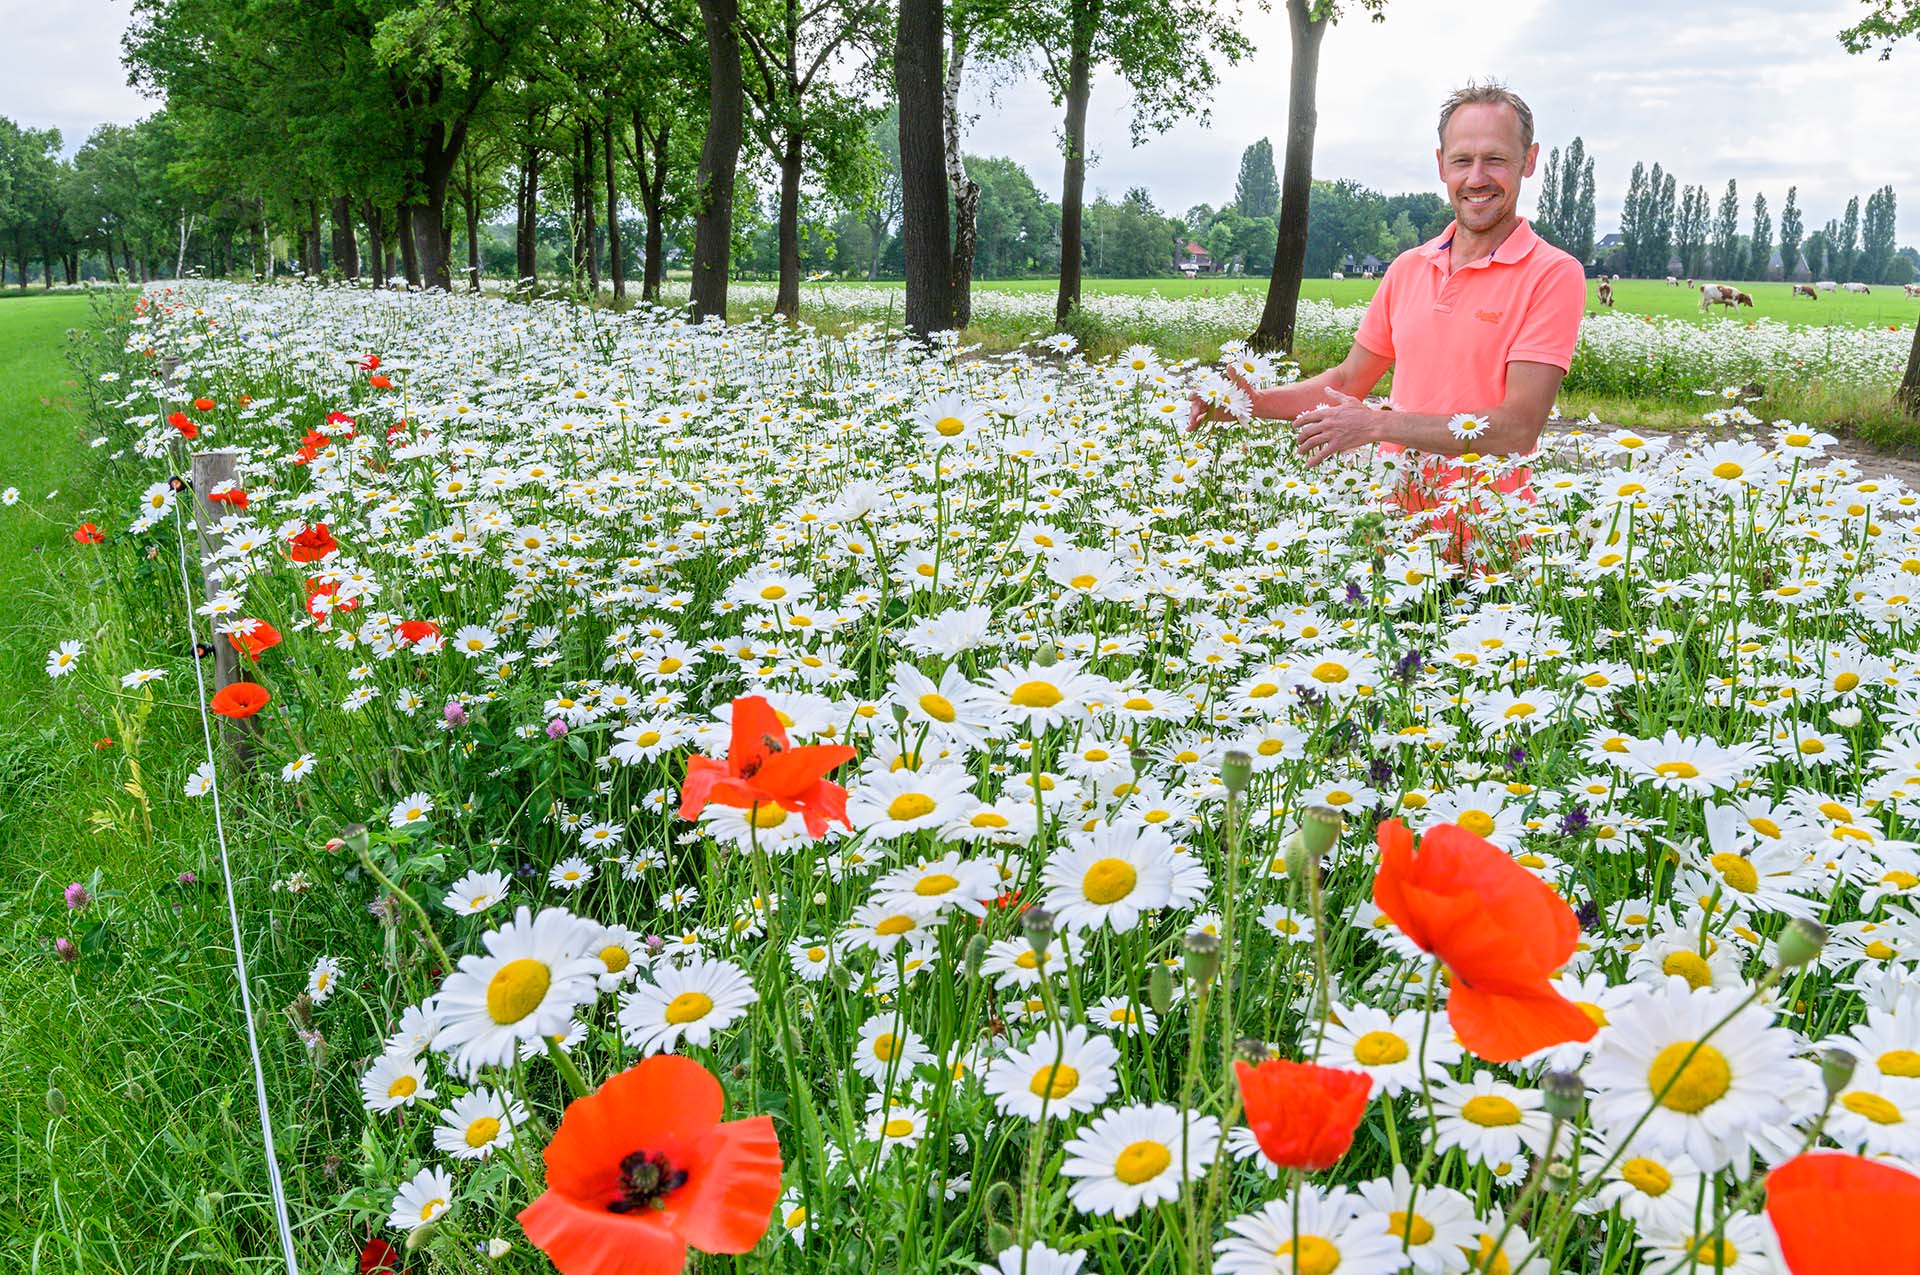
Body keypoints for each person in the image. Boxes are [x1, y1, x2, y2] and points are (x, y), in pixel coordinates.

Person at [1191, 80, 1586, 551]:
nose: (1477, 177)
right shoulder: (1408, 268)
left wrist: (1378, 424)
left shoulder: (1554, 274)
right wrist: (1250, 405)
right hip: (1394, 536)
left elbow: (1518, 427)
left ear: (1529, 159)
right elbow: (1348, 381)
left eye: (1495, 159)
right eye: (1462, 160)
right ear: (1441, 165)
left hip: (1487, 544)